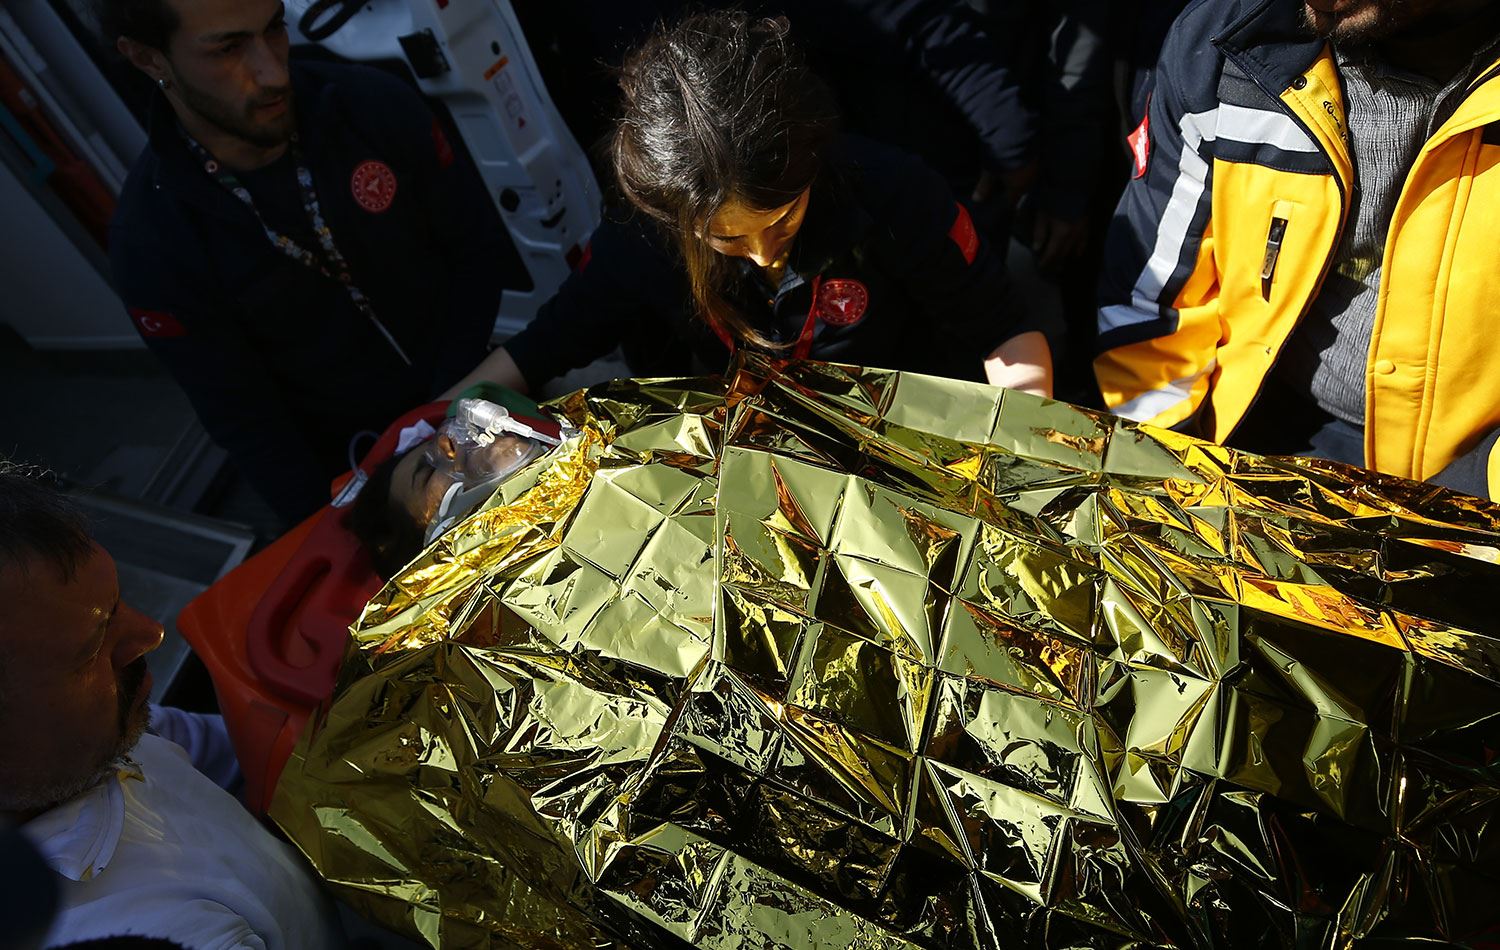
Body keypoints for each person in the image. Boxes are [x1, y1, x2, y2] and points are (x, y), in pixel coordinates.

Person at [449, 11, 1053, 400]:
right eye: (728, 239)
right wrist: (428, 427)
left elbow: (1006, 332)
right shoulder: (643, 235)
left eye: (784, 219)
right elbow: (543, 346)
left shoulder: (893, 192)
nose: (764, 255)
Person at [103, 0, 511, 524]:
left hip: (477, 393)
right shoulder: (153, 240)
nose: (275, 71)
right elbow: (245, 420)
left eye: (274, 27)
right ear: (148, 58)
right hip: (351, 471)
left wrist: (451, 402)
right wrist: (333, 526)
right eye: (229, 48)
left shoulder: (370, 104)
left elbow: (477, 251)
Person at [1095, 0, 1500, 499]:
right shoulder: (1226, 41)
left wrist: (1453, 514)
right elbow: (1156, 302)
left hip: (1466, 479)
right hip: (1240, 427)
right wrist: (1169, 471)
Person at [0, 463, 342, 948]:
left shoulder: (91, 739)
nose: (151, 633)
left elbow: (239, 749)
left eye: (117, 603)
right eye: (92, 648)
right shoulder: (151, 931)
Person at [347, 391, 563, 579]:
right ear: (441, 540)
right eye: (428, 472)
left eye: (433, 445)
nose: (448, 443)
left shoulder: (571, 440)